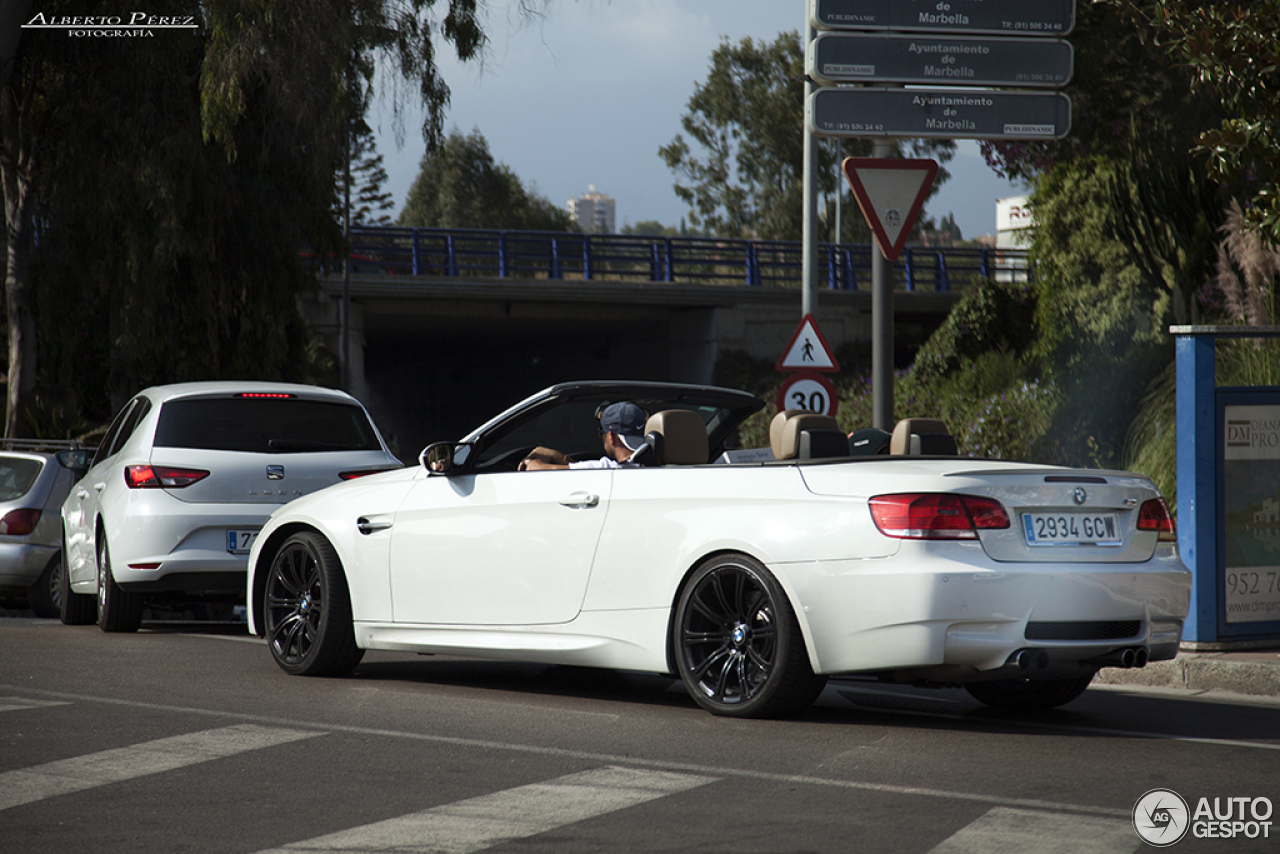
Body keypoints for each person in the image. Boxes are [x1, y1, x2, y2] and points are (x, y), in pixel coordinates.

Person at [519, 401, 648, 470]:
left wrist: (531, 461)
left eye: (601, 433)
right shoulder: (660, 467)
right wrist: (558, 457)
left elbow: (536, 469)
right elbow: (582, 469)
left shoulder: (606, 469)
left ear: (611, 437)